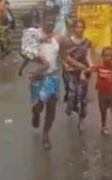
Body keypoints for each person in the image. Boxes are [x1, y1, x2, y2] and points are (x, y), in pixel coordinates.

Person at [28, 12, 89, 149]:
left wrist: (81, 66)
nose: (50, 23)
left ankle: (45, 135)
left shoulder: (59, 38)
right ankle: (36, 114)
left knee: (51, 108)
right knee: (38, 106)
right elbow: (25, 51)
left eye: (53, 21)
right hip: (37, 76)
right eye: (47, 20)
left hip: (53, 77)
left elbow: (65, 57)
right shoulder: (33, 35)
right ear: (42, 21)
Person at [63, 19, 93, 132]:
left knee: (82, 97)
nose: (79, 29)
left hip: (83, 73)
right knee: (72, 95)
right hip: (70, 72)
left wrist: (91, 66)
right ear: (73, 28)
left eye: (81, 27)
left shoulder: (87, 42)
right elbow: (64, 56)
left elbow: (88, 56)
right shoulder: (67, 41)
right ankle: (70, 105)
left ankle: (81, 122)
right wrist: (65, 64)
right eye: (77, 27)